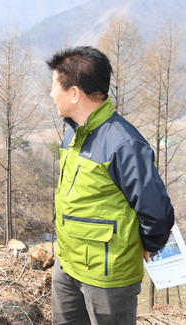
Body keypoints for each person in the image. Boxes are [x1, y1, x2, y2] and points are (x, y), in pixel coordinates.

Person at [47, 46, 175, 324]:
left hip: (108, 276)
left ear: (74, 93)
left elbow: (156, 211)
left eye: (54, 85)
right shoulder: (73, 136)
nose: (51, 94)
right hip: (67, 265)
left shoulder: (124, 143)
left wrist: (148, 244)